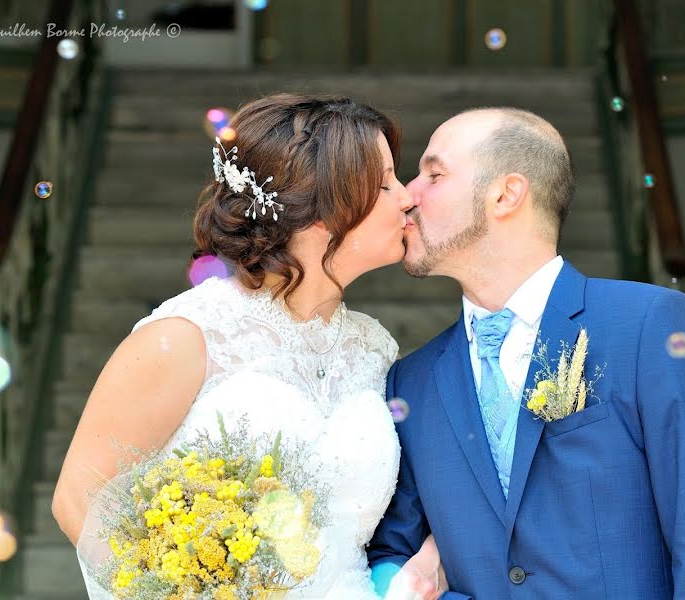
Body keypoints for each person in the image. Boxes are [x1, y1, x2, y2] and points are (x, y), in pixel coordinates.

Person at [52, 94, 447, 599]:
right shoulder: (185, 336)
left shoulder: (373, 349)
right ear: (324, 208)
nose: (406, 197)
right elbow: (79, 500)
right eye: (385, 182)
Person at [368, 107, 685, 599]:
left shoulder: (646, 325)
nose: (407, 194)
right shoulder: (413, 380)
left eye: (434, 173)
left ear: (506, 194)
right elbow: (390, 554)